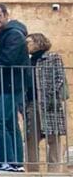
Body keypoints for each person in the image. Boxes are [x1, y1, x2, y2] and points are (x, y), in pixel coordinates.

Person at [0, 3, 29, 171]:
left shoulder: (13, 35)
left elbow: (7, 60)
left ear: (6, 15)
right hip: (7, 84)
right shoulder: (3, 34)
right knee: (10, 124)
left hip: (12, 85)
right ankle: (16, 163)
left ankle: (7, 161)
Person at [26, 32, 67, 168]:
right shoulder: (27, 61)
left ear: (38, 42)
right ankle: (33, 169)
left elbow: (59, 77)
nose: (26, 45)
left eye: (28, 42)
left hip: (49, 102)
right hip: (32, 102)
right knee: (31, 137)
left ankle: (54, 169)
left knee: (54, 137)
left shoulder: (52, 57)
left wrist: (51, 95)